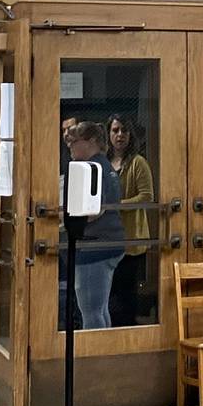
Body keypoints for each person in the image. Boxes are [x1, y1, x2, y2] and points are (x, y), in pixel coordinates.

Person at [65, 121, 124, 331]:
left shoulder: (92, 168)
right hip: (110, 243)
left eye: (73, 141)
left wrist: (67, 220)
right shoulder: (105, 166)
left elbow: (94, 209)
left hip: (95, 246)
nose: (69, 146)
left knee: (90, 310)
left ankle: (94, 359)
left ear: (91, 142)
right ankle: (106, 354)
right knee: (99, 308)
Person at [106, 114, 155, 327]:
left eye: (124, 131)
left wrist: (119, 205)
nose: (119, 135)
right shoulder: (104, 161)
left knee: (127, 292)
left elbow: (146, 197)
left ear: (130, 135)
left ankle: (127, 332)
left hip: (131, 239)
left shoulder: (138, 162)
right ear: (108, 134)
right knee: (110, 291)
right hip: (108, 237)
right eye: (115, 130)